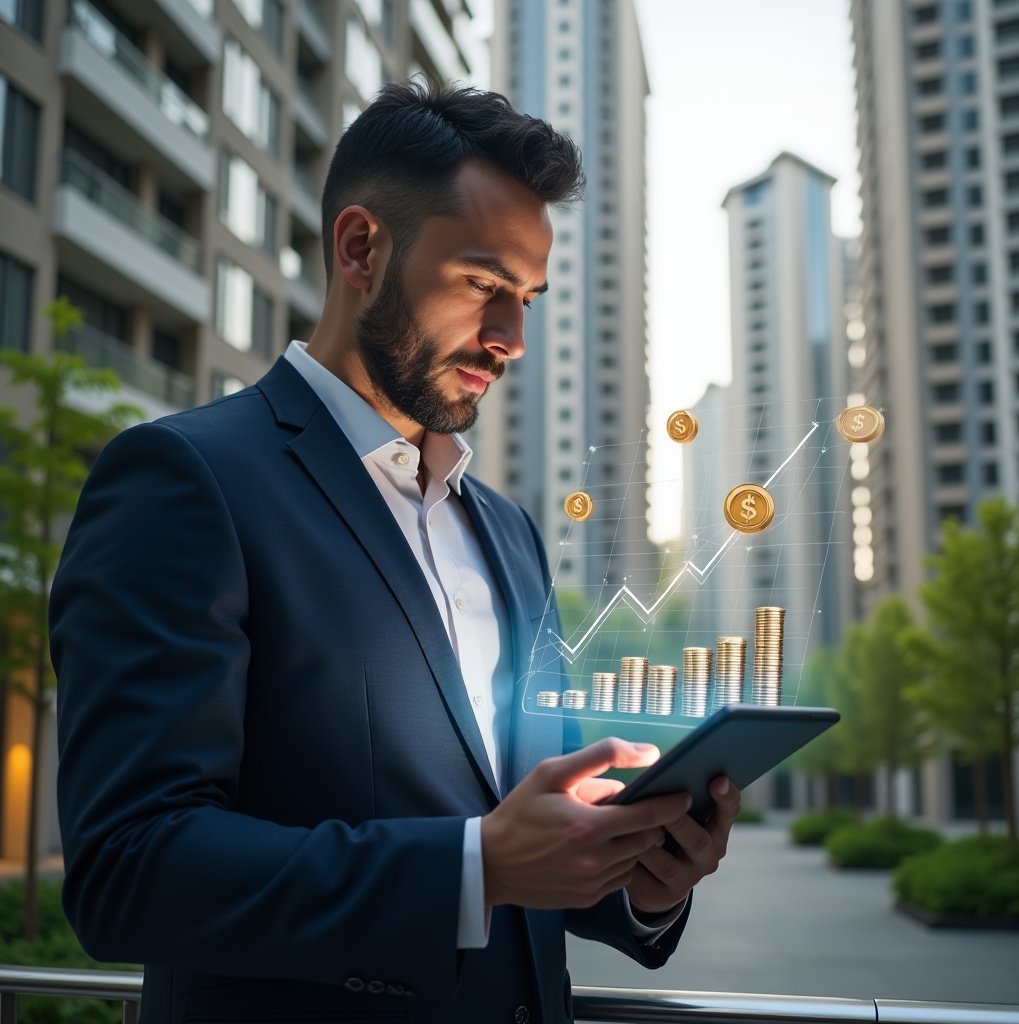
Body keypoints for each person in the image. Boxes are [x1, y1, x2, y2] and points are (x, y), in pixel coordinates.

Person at [51, 79, 741, 1024]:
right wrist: (475, 864)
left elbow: (539, 840)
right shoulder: (184, 481)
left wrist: (644, 880)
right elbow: (128, 870)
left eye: (530, 299)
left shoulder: (508, 532)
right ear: (360, 249)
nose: (513, 340)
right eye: (483, 286)